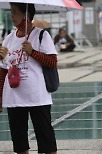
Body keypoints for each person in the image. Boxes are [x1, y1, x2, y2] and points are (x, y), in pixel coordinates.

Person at [0, 3, 57, 154]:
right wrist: (0, 97)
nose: (11, 16)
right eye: (11, 12)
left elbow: (52, 62)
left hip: (37, 96)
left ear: (25, 15)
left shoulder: (41, 35)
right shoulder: (8, 40)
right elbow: (2, 71)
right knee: (19, 142)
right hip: (14, 97)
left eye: (14, 12)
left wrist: (32, 52)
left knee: (46, 138)